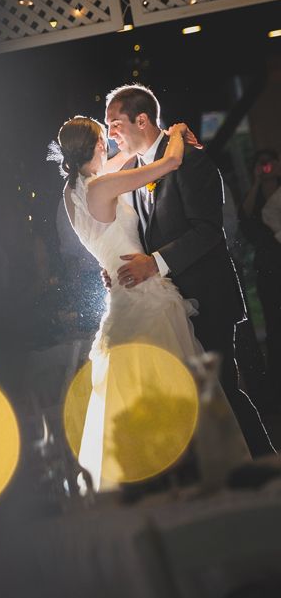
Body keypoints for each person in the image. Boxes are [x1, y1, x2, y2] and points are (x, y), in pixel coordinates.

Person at [49, 117, 250, 487]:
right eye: (103, 136)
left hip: (121, 294)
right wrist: (175, 133)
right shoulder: (102, 185)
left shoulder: (73, 191)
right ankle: (196, 473)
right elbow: (170, 163)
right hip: (143, 293)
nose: (109, 142)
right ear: (95, 146)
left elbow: (125, 159)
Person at [103, 85, 274, 457]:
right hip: (170, 306)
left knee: (221, 389)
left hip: (207, 297)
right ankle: (233, 470)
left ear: (143, 119)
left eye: (115, 123)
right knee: (199, 396)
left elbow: (209, 231)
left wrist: (155, 263)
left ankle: (264, 464)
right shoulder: (137, 171)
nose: (110, 133)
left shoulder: (190, 159)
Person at [248, 149, 281, 396]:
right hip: (268, 263)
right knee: (273, 321)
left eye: (271, 163)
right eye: (263, 163)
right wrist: (257, 181)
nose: (267, 167)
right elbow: (244, 216)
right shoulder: (256, 193)